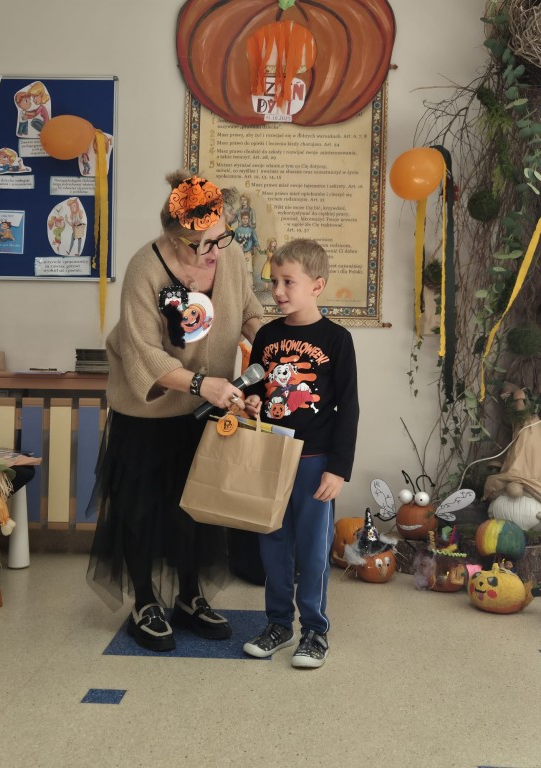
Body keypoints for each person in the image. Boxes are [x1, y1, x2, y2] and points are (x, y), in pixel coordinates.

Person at [86, 172, 263, 653]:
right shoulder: (145, 268)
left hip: (206, 408)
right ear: (172, 237)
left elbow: (249, 310)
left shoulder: (229, 255)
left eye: (221, 238)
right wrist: (204, 383)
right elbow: (144, 353)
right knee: (141, 511)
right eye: (201, 245)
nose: (215, 252)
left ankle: (189, 597)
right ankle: (145, 603)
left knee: (197, 509)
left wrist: (273, 349)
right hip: (148, 413)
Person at [241, 239, 359, 668]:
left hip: (315, 463)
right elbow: (255, 389)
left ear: (317, 286)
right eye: (274, 281)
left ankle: (314, 631)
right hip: (271, 458)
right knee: (273, 548)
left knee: (312, 551)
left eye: (288, 282)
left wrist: (338, 469)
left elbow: (349, 408)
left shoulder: (337, 340)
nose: (277, 291)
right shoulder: (267, 336)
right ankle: (278, 624)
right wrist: (252, 401)